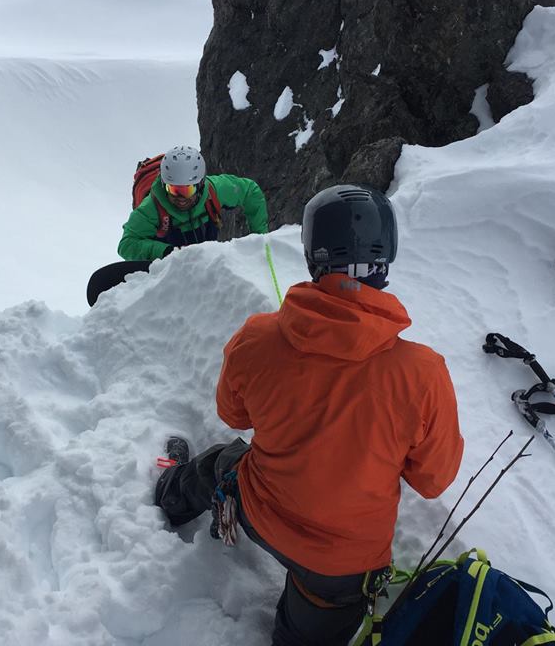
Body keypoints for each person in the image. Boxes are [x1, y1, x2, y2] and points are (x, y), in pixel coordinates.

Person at [154, 184, 464, 645]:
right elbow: (432, 480)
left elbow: (232, 414)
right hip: (340, 567)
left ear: (312, 254)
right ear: (386, 256)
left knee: (222, 461)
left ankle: (172, 496)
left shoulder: (257, 336)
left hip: (260, 508)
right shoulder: (422, 373)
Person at [117, 145, 269, 261]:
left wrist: (260, 238)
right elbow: (126, 244)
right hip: (168, 260)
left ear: (200, 184)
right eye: (174, 189)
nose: (181, 198)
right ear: (164, 185)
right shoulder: (151, 208)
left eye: (187, 190)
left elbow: (250, 191)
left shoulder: (215, 190)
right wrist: (166, 252)